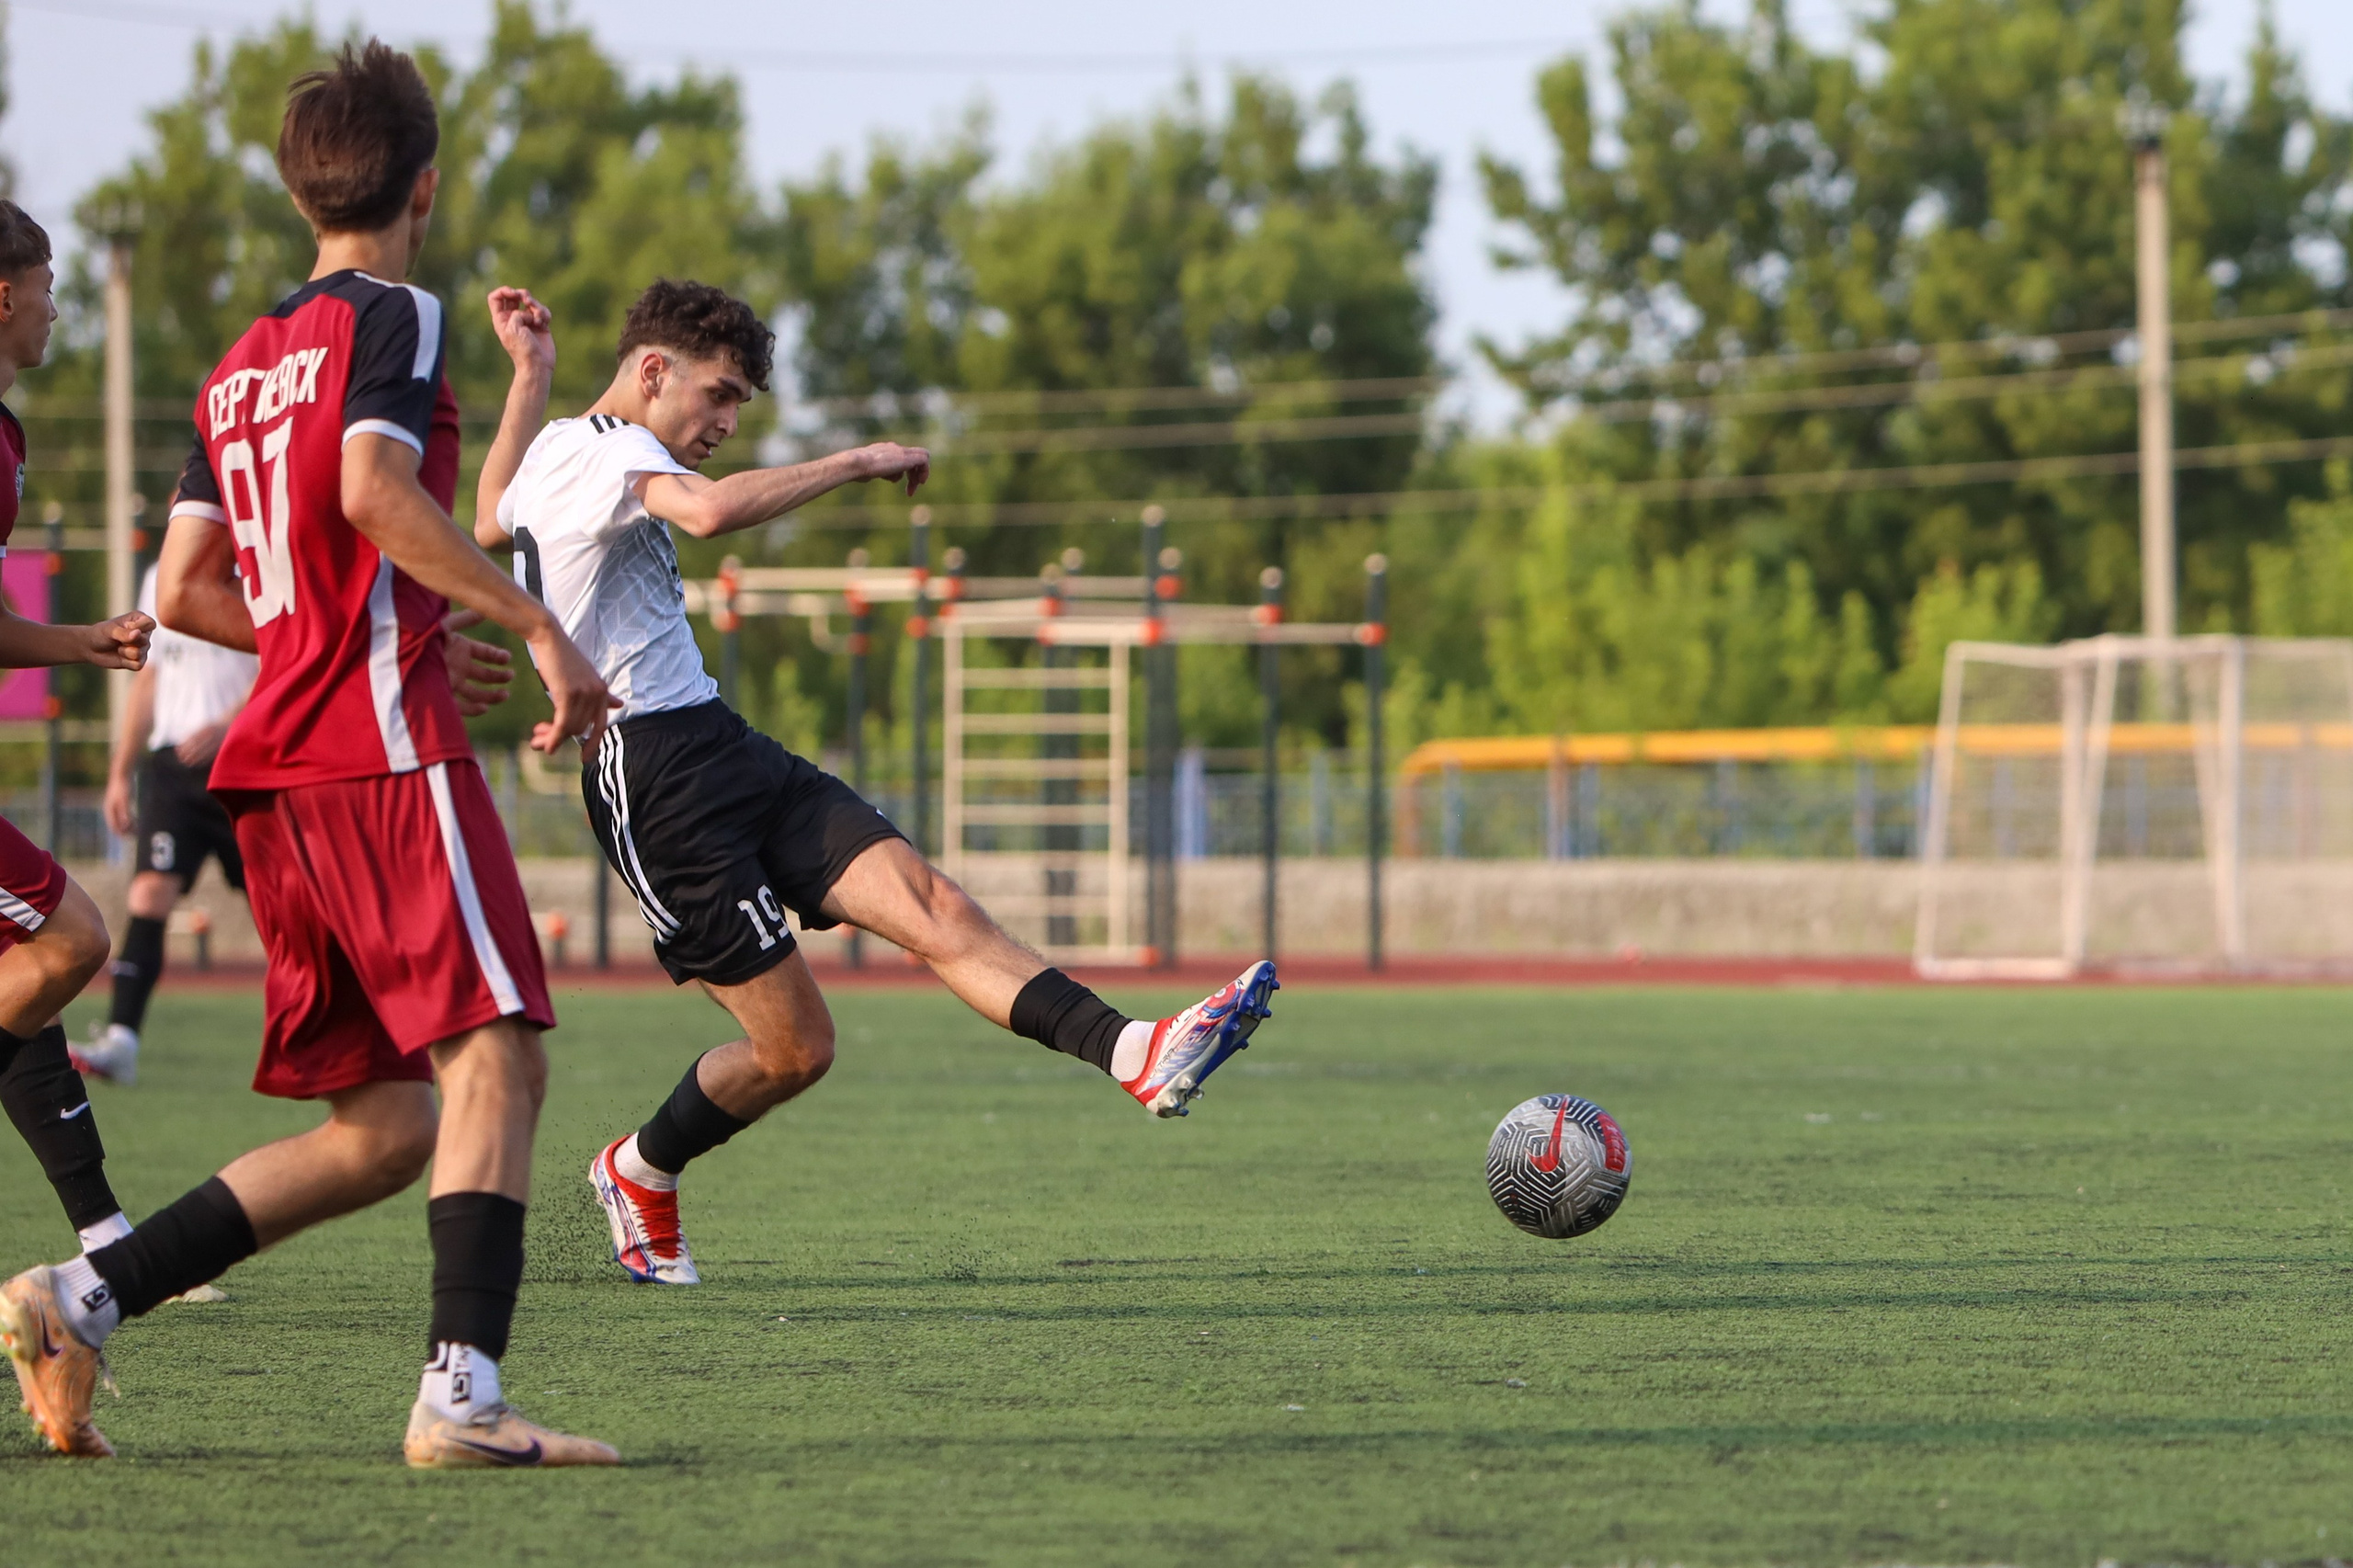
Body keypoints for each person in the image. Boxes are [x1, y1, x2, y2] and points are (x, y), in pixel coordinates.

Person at [0, 41, 618, 1468]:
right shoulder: (397, 310)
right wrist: (532, 624)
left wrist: (362, 629)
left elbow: (187, 591)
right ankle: (461, 1398)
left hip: (277, 770)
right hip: (382, 761)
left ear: (295, 193)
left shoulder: (237, 369)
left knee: (388, 1121)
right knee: (500, 1058)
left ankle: (80, 1295)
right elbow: (369, 487)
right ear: (426, 181)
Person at [475, 277, 1278, 1289]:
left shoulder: (556, 444)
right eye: (718, 395)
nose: (724, 421)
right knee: (796, 1048)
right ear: (651, 371)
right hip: (650, 780)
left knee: (931, 902)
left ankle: (1135, 1052)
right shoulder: (620, 451)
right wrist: (859, 459)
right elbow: (712, 515)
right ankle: (636, 1168)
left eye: (739, 407)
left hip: (721, 743)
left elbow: (489, 515)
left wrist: (528, 374)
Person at [85, 566, 514, 1085]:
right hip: (173, 772)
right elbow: (150, 676)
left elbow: (286, 654)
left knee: (298, 911)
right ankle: (122, 1039)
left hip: (245, 757)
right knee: (149, 895)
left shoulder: (254, 560)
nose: (185, 495)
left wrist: (226, 726)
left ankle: (365, 1029)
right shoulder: (160, 574)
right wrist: (118, 772)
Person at [0, 202, 154, 1264]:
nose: (58, 310)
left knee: (29, 971)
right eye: (50, 288)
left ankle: (105, 1232)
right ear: (5, 296)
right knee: (73, 940)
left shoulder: (5, 433)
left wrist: (80, 641)